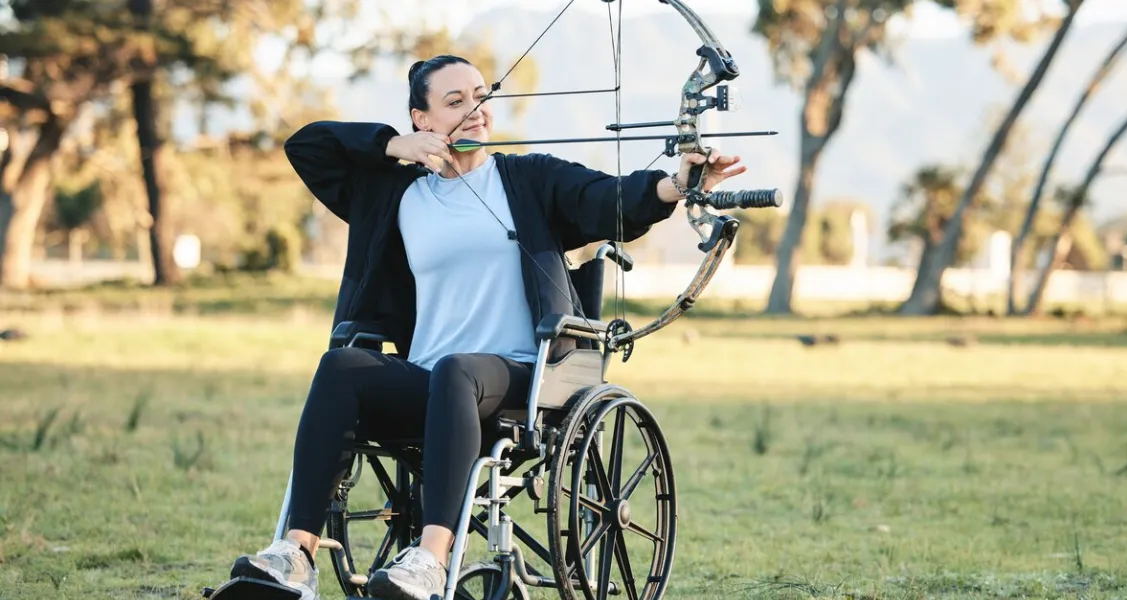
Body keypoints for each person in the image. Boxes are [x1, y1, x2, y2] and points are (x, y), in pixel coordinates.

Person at [226, 54, 747, 600]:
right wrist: (392, 145)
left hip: (525, 379)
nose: (476, 110)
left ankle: (429, 559)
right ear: (421, 119)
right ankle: (296, 555)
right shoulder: (395, 194)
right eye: (455, 102)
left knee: (457, 371)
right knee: (340, 367)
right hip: (431, 381)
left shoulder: (528, 179)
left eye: (480, 95)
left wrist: (677, 183)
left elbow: (608, 200)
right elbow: (307, 147)